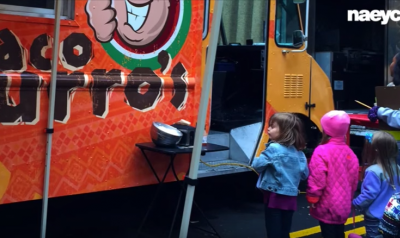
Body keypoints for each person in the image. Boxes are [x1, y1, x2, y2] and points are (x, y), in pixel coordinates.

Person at [251, 112, 309, 238]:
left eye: (272, 126)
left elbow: (257, 166)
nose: (269, 129)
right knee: (285, 228)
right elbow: (304, 175)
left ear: (285, 131)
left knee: (273, 229)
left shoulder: (273, 148)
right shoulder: (300, 153)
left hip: (274, 196)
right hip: (291, 197)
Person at [306, 110, 359, 238]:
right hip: (343, 205)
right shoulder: (351, 153)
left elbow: (317, 178)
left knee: (328, 233)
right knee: (339, 233)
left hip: (327, 205)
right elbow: (353, 181)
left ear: (326, 130)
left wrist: (313, 197)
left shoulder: (321, 151)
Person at [352, 131, 400, 237]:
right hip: (392, 216)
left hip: (375, 217)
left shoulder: (373, 171)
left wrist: (355, 203)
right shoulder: (397, 168)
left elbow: (368, 195)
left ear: (374, 150)